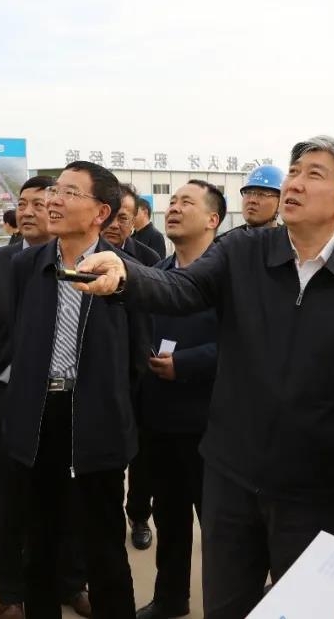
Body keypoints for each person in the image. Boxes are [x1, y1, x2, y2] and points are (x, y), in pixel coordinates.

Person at [75, 137, 334, 619]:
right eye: (294, 171)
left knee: (304, 610)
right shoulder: (243, 251)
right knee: (227, 605)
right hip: (232, 476)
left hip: (313, 487)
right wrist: (126, 274)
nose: (294, 183)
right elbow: (181, 287)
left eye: (314, 174)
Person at [5, 161, 150, 619]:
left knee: (103, 543)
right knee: (39, 541)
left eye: (69, 192)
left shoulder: (130, 272)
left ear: (101, 212)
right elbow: (12, 341)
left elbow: (137, 358)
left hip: (96, 417)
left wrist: (115, 407)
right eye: (55, 191)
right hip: (38, 417)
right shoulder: (25, 266)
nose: (53, 201)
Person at [0, 176, 91, 619]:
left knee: (69, 501)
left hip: (66, 404)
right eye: (24, 203)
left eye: (42, 202)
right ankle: (11, 592)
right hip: (5, 403)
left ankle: (71, 582)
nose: (32, 210)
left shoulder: (83, 263)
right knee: (7, 503)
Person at [135, 181, 224, 619]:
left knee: (220, 527)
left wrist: (186, 364)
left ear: (213, 219)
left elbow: (245, 342)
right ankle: (171, 599)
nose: (173, 208)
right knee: (169, 518)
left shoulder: (229, 277)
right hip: (160, 420)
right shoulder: (158, 273)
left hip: (212, 423)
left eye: (186, 202)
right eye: (171, 201)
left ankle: (227, 603)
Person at [105, 184, 159, 551]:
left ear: (134, 220)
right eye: (110, 215)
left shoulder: (148, 259)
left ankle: (139, 514)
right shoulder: (80, 259)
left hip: (138, 372)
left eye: (123, 217)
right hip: (98, 377)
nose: (115, 223)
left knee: (142, 455)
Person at [238, 164, 283, 229]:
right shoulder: (230, 235)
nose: (252, 200)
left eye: (262, 194)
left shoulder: (291, 235)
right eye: (248, 193)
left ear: (281, 203)